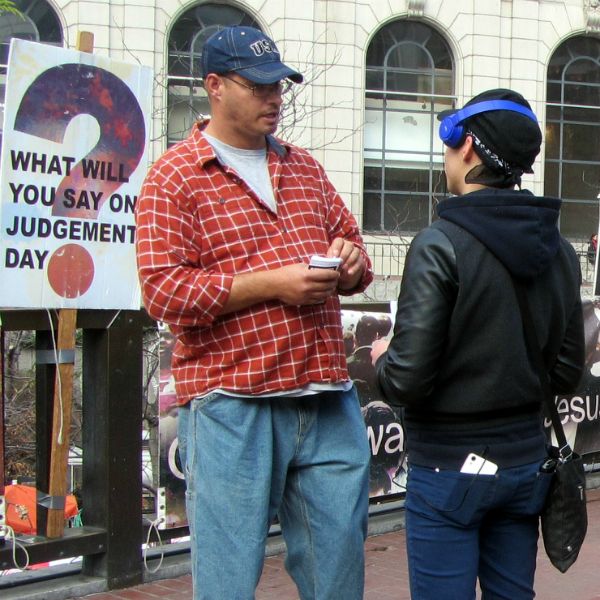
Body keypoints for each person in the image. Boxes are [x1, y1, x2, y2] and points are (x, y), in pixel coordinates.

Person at [135, 25, 373, 600]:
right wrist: (273, 285)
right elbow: (163, 293)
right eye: (259, 84)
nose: (275, 97)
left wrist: (348, 263)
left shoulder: (305, 168)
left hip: (323, 392)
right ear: (214, 86)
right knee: (228, 578)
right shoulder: (174, 176)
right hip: (231, 401)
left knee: (338, 569)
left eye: (280, 85)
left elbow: (357, 255)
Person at [370, 88, 585, 599]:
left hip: (448, 468)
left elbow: (407, 379)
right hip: (524, 465)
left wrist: (380, 362)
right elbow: (567, 370)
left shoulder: (439, 243)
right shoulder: (559, 250)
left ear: (467, 147)